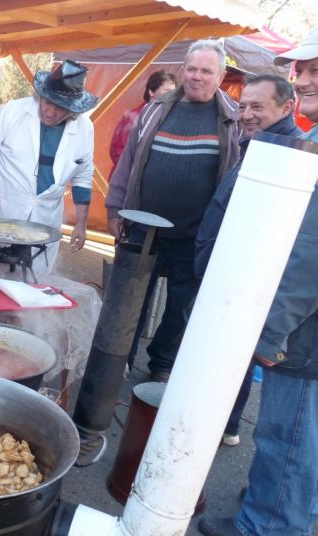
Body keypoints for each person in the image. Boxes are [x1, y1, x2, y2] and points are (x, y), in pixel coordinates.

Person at [198, 25, 318, 536]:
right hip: (298, 316)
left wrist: (271, 329)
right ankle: (285, 499)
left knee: (287, 427)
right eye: (304, 69)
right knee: (299, 433)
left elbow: (310, 252)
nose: (306, 79)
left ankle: (269, 524)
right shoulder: (312, 139)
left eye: (316, 71)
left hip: (304, 330)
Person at [105, 39, 241, 381]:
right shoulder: (155, 109)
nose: (197, 77)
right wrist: (114, 208)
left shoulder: (232, 118)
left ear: (221, 75)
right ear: (183, 70)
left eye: (206, 71)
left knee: (180, 305)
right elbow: (128, 162)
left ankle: (161, 364)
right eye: (191, 69)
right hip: (141, 227)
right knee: (132, 300)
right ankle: (121, 356)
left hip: (195, 233)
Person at [194, 74, 301, 447]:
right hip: (222, 272)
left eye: (258, 106)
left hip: (239, 283)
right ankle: (219, 423)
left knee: (229, 360)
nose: (247, 114)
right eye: (243, 106)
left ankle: (216, 427)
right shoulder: (258, 142)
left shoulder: (287, 152)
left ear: (288, 107)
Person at [0, 60, 99, 272]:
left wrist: (81, 224)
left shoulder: (84, 129)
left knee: (31, 288)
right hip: (0, 213)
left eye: (60, 108)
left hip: (44, 220)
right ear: (41, 95)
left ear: (73, 110)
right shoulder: (13, 112)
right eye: (48, 102)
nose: (51, 112)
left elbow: (83, 176)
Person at [108, 70, 177, 174]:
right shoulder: (133, 117)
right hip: (128, 179)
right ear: (151, 92)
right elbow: (118, 152)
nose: (172, 95)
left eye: (174, 92)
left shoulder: (174, 117)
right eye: (167, 91)